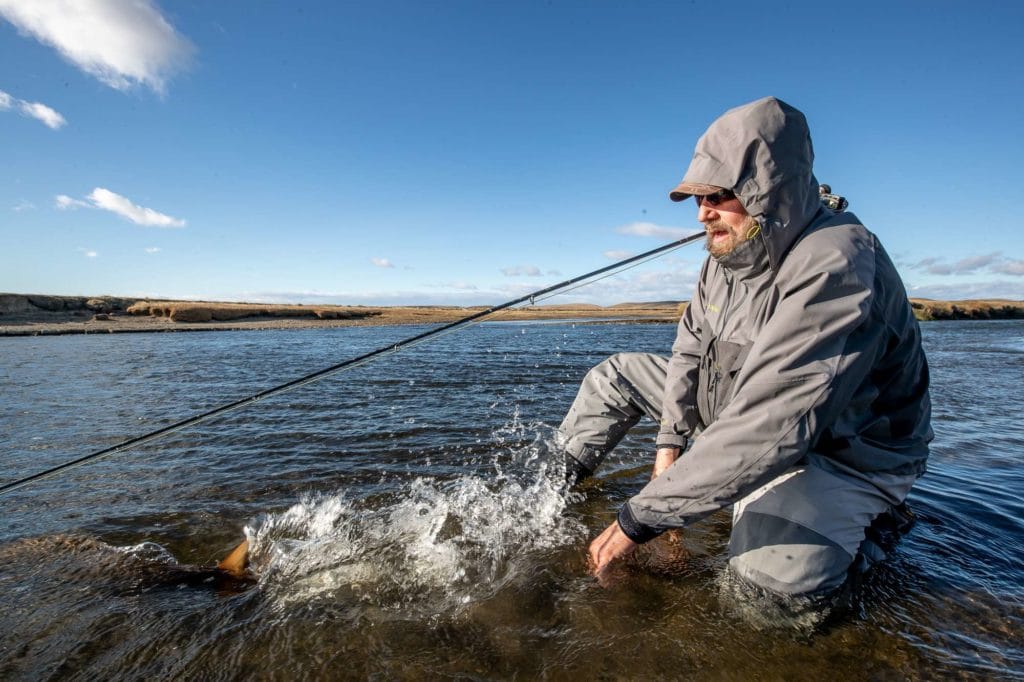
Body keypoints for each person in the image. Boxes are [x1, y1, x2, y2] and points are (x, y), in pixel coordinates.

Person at [561, 97, 932, 599]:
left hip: (838, 453)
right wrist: (669, 449)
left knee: (769, 591)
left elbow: (776, 419)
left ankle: (873, 528)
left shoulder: (837, 261)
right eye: (697, 198)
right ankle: (550, 491)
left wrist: (638, 518)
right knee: (616, 375)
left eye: (718, 195)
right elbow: (690, 350)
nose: (702, 214)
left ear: (767, 190)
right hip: (742, 414)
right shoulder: (725, 250)